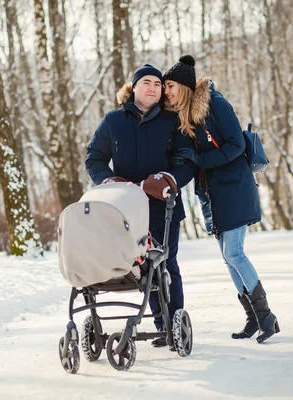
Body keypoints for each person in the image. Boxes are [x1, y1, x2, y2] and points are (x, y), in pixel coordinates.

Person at [164, 55, 280, 343]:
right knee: (229, 260)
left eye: (170, 86)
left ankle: (267, 317)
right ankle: (253, 319)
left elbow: (237, 144)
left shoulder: (214, 103)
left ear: (184, 86)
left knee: (234, 253)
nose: (166, 91)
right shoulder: (185, 115)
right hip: (213, 195)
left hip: (235, 188)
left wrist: (201, 159)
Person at [85, 64, 196, 348]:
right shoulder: (113, 121)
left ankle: (171, 326)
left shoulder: (172, 122)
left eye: (158, 85)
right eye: (146, 82)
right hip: (124, 210)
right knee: (138, 269)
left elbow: (186, 160)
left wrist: (170, 179)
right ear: (134, 87)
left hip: (163, 207)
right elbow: (94, 157)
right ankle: (159, 323)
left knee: (165, 264)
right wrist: (108, 180)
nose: (152, 88)